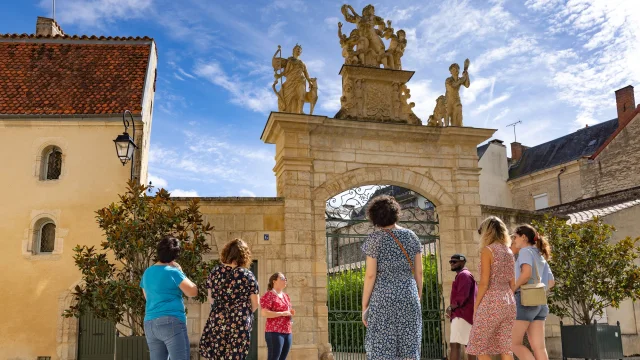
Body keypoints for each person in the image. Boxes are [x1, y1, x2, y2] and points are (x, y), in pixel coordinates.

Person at [361, 195, 423, 360]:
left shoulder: (375, 239)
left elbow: (370, 275)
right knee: (409, 345)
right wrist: (418, 296)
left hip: (383, 297)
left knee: (382, 346)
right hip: (408, 294)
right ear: (396, 212)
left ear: (375, 217)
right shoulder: (412, 236)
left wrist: (364, 305)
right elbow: (419, 272)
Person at [199, 239, 260, 359]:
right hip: (239, 322)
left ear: (226, 253)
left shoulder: (215, 272)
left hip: (218, 320)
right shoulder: (247, 275)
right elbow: (255, 303)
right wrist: (242, 312)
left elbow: (211, 298)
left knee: (217, 355)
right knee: (236, 355)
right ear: (244, 255)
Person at [140, 236, 199, 360]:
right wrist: (180, 271)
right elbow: (193, 291)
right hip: (171, 321)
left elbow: (147, 297)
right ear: (174, 256)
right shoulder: (173, 272)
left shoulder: (147, 273)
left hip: (150, 323)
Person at [466, 216, 516, 360]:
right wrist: (505, 299)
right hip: (509, 301)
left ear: (487, 232)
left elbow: (484, 283)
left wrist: (476, 306)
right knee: (505, 347)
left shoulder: (488, 251)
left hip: (491, 301)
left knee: (479, 345)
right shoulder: (509, 251)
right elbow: (512, 283)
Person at [512, 225, 555, 360]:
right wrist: (536, 292)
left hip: (525, 301)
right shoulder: (539, 254)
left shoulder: (525, 252)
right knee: (540, 348)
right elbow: (551, 282)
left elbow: (526, 274)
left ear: (523, 237)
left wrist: (512, 289)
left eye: (516, 237)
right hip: (540, 303)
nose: (514, 240)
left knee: (513, 344)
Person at [447, 254, 478, 360]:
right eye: (451, 262)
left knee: (455, 346)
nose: (452, 263)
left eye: (454, 262)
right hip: (464, 315)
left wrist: (451, 308)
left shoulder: (464, 275)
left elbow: (462, 296)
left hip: (462, 315)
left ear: (462, 262)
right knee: (469, 346)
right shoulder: (463, 275)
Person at [261, 272, 295, 360]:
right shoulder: (269, 295)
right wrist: (282, 313)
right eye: (282, 278)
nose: (285, 280)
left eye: (285, 279)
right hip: (274, 332)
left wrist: (290, 314)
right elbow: (264, 313)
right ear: (274, 281)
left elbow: (288, 310)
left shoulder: (285, 296)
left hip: (287, 331)